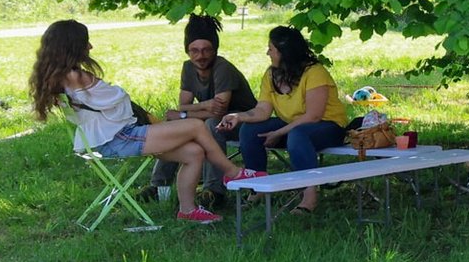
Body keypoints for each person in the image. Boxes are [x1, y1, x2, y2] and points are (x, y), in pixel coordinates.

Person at [30, 20, 262, 224]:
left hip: (108, 138)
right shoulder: (76, 76)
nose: (90, 47)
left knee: (193, 153)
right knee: (196, 126)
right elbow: (118, 98)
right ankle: (232, 172)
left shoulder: (59, 77)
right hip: (119, 138)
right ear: (72, 46)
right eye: (85, 43)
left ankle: (188, 210)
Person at [215, 26, 350, 215]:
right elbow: (262, 110)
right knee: (249, 129)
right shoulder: (271, 74)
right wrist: (238, 117)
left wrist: (279, 133)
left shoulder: (315, 72)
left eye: (271, 48)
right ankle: (258, 186)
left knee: (297, 135)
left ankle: (309, 195)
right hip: (292, 126)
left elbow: (314, 116)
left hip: (328, 126)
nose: (267, 53)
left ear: (284, 52)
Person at [149, 15, 259, 200]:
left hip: (244, 123)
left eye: (206, 50)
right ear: (187, 51)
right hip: (212, 120)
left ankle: (214, 191)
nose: (200, 56)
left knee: (211, 124)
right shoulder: (188, 68)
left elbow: (219, 111)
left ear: (215, 49)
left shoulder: (222, 68)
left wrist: (186, 114)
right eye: (194, 50)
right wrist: (201, 106)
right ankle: (159, 187)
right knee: (174, 124)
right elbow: (183, 105)